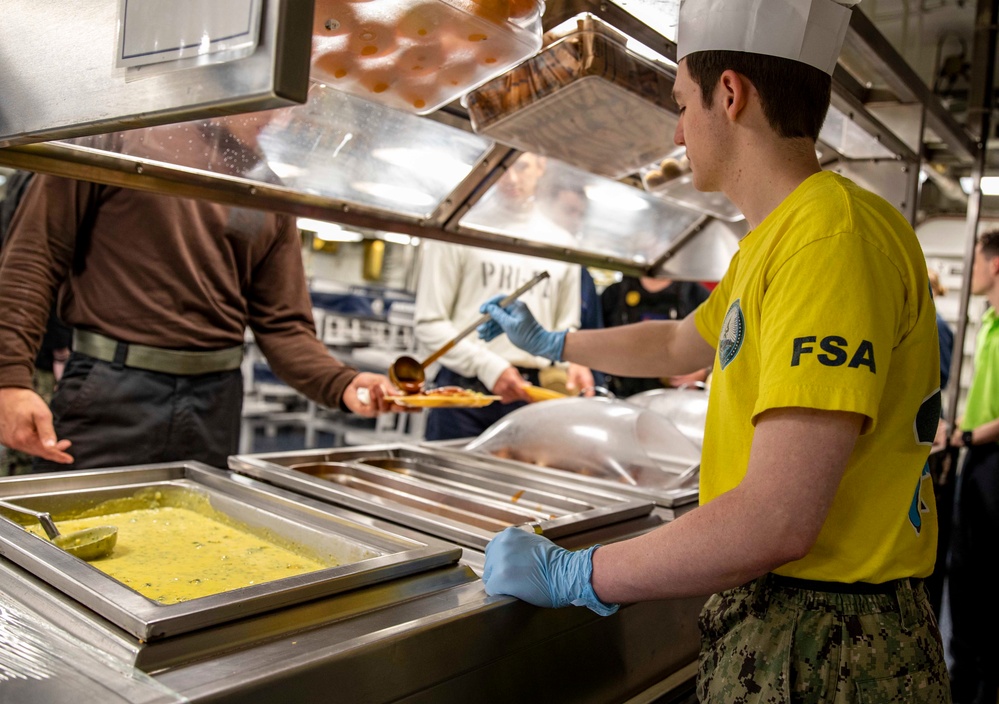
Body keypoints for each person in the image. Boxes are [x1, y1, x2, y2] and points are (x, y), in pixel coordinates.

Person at [476, 0, 950, 699]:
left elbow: (776, 518)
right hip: (790, 621)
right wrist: (552, 341)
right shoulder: (776, 239)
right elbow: (675, 340)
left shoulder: (828, 241)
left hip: (829, 645)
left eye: (679, 104)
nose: (675, 131)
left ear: (728, 95)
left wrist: (580, 574)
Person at [0, 114, 399, 473]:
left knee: (196, 541)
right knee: (72, 538)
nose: (280, 116)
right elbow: (34, 258)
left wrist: (343, 383)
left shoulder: (268, 192)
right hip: (111, 389)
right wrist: (9, 379)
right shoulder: (114, 139)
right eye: (272, 101)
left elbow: (283, 326)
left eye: (291, 104)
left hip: (215, 401)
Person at [413, 153, 594, 441]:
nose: (510, 179)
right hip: (464, 392)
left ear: (541, 166)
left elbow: (566, 327)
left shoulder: (562, 244)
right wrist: (489, 367)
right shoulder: (456, 229)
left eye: (521, 167)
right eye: (501, 168)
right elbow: (429, 322)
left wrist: (575, 361)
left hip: (533, 394)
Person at [944, 231, 999, 704]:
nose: (972, 271)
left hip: (993, 464)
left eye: (977, 262)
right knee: (965, 574)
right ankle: (963, 681)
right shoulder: (990, 321)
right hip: (977, 455)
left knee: (981, 579)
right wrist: (953, 428)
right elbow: (985, 399)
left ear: (995, 266)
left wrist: (963, 437)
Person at [0, 171, 74, 476]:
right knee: (32, 444)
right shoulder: (45, 173)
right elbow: (29, 269)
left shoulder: (24, 177)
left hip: (32, 345)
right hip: (35, 349)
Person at [600, 276, 710, 397]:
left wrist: (702, 372)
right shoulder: (613, 294)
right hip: (621, 397)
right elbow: (598, 346)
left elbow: (718, 349)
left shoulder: (696, 295)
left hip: (676, 401)